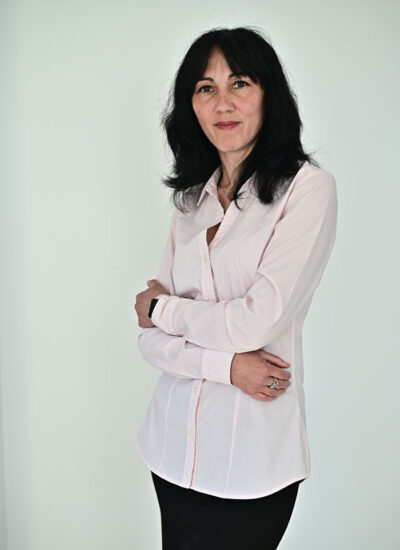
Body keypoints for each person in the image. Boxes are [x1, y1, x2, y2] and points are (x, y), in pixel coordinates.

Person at [134, 26, 338, 549]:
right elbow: (149, 342)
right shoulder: (189, 203)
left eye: (240, 83)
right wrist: (228, 366)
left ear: (270, 94)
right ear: (191, 106)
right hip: (170, 447)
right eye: (206, 88)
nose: (222, 103)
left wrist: (163, 308)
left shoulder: (306, 190)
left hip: (250, 462)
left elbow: (255, 322)